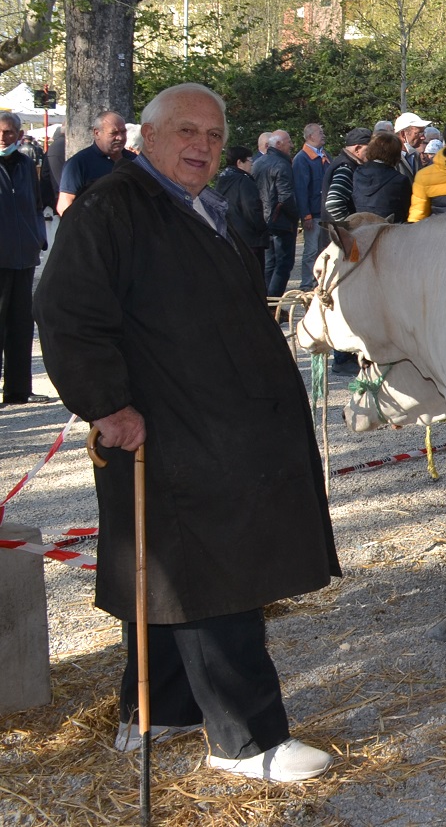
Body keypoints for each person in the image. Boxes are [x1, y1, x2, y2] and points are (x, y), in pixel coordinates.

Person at [35, 82, 340, 781]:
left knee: (170, 572)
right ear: (146, 137)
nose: (201, 146)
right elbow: (67, 310)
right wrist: (106, 405)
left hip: (220, 428)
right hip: (164, 427)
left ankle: (160, 712)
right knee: (212, 571)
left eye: (212, 134)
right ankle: (247, 740)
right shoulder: (113, 208)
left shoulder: (207, 207)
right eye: (185, 132)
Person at [0, 112, 47, 405]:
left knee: (20, 324)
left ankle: (19, 389)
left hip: (24, 255)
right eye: (1, 132)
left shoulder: (27, 164)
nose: (5, 137)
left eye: (10, 133)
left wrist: (37, 238)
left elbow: (35, 203)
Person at [251, 129, 297, 299]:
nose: (292, 145)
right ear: (278, 144)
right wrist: (295, 215)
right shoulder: (282, 164)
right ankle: (273, 305)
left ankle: (266, 302)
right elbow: (285, 196)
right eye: (289, 141)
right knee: (283, 264)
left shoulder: (258, 163)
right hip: (280, 222)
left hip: (264, 221)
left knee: (269, 263)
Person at [56, 109, 130, 215]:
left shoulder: (134, 161)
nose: (120, 137)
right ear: (97, 133)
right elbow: (64, 205)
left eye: (123, 132)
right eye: (113, 133)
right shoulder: (78, 164)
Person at [291, 123, 331, 290]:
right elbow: (300, 189)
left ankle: (321, 283)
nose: (323, 135)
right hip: (313, 214)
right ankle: (307, 284)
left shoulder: (325, 155)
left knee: (324, 249)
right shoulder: (302, 158)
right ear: (310, 136)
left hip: (325, 212)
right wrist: (305, 215)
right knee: (311, 251)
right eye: (320, 132)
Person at [212, 145, 266, 255]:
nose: (252, 163)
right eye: (250, 160)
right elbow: (251, 208)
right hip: (249, 238)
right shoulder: (244, 181)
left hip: (229, 235)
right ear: (239, 162)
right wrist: (262, 228)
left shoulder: (221, 180)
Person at [351, 132, 412, 222]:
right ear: (396, 154)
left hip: (363, 227)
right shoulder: (400, 181)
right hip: (390, 229)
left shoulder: (358, 173)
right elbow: (407, 210)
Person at [320, 128, 371, 225]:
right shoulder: (346, 167)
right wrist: (351, 227)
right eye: (369, 149)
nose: (372, 154)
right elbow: (333, 203)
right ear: (357, 149)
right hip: (339, 236)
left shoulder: (343, 163)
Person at [393, 112, 433, 180]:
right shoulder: (391, 158)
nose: (423, 137)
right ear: (403, 134)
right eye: (419, 133)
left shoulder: (415, 156)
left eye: (423, 133)